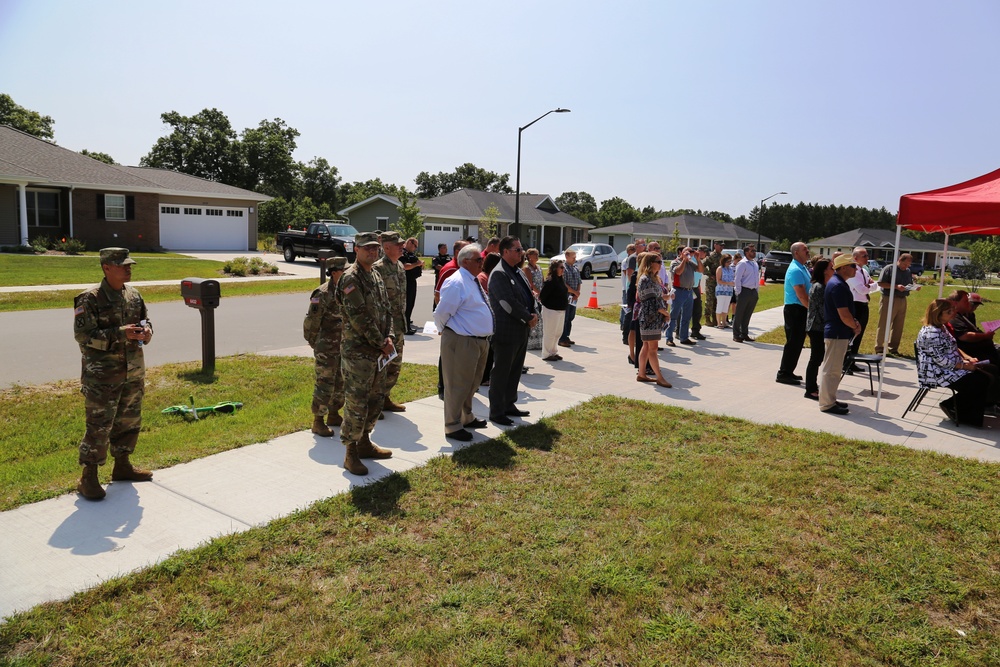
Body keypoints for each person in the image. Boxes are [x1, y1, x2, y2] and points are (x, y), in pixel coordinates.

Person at [73, 247, 153, 500]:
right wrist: (120, 334)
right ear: (106, 267)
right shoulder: (90, 299)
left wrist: (147, 332)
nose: (128, 268)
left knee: (129, 421)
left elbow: (145, 321)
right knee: (99, 425)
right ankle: (89, 477)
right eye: (122, 265)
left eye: (130, 264)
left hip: (132, 371)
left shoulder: (134, 295)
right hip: (103, 376)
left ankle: (122, 466)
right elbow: (84, 337)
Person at [337, 232, 395, 476]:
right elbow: (359, 316)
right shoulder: (350, 278)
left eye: (375, 248)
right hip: (359, 353)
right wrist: (381, 341)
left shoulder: (376, 274)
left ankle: (364, 443)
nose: (372, 252)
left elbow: (387, 309)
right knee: (357, 402)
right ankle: (350, 453)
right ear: (356, 250)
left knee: (376, 398)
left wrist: (389, 336)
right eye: (367, 248)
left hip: (378, 351)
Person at [434, 244, 494, 441]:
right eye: (479, 260)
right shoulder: (457, 282)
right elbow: (442, 312)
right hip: (461, 340)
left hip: (478, 341)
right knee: (457, 385)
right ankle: (452, 425)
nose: (482, 262)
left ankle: (466, 416)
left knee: (472, 383)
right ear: (465, 261)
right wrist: (446, 330)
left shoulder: (472, 280)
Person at [917, 298, 999, 426]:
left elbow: (954, 347)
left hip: (951, 366)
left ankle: (984, 406)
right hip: (938, 372)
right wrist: (965, 366)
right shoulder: (931, 333)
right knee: (979, 380)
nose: (952, 314)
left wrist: (968, 358)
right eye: (948, 312)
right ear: (938, 314)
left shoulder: (942, 327)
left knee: (992, 370)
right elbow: (941, 361)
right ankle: (954, 407)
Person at [488, 236, 538, 425]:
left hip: (521, 329)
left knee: (515, 370)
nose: (521, 252)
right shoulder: (499, 273)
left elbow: (529, 295)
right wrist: (527, 317)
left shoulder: (518, 271)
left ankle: (509, 404)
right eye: (517, 249)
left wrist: (533, 312)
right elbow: (507, 302)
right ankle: (497, 411)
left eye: (521, 248)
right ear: (505, 251)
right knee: (501, 372)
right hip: (506, 331)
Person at [303, 256, 348, 436]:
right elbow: (311, 323)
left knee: (340, 382)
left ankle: (334, 414)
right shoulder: (321, 294)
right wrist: (314, 343)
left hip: (343, 346)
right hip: (326, 348)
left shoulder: (347, 290)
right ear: (335, 272)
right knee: (325, 383)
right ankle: (318, 421)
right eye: (344, 270)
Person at [819, 254, 862, 415]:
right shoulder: (838, 286)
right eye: (852, 266)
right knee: (831, 370)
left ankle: (830, 399)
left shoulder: (838, 283)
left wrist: (854, 323)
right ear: (843, 267)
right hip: (837, 332)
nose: (855, 269)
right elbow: (843, 314)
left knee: (834, 369)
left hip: (839, 332)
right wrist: (855, 325)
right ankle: (827, 403)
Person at [374, 231, 408, 413]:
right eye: (398, 244)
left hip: (399, 325)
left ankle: (385, 398)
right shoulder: (377, 268)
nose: (402, 247)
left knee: (395, 365)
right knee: (381, 367)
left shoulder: (400, 266)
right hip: (385, 328)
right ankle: (374, 404)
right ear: (386, 247)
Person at [776, 241, 811, 385]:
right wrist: (812, 310)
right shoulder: (795, 270)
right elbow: (801, 295)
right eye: (805, 249)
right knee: (793, 342)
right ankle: (783, 373)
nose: (808, 251)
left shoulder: (802, 267)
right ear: (796, 252)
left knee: (797, 342)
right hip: (795, 309)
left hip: (800, 309)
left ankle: (789, 371)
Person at [635, 252, 672, 387]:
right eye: (658, 262)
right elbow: (652, 302)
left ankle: (642, 374)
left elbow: (658, 298)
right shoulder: (645, 279)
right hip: (649, 317)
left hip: (653, 317)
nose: (661, 265)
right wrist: (665, 313)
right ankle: (659, 377)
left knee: (646, 346)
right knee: (653, 348)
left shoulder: (654, 279)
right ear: (650, 263)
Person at [875, 253, 919, 355]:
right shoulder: (889, 269)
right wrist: (895, 286)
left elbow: (908, 284)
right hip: (888, 298)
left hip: (902, 299)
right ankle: (879, 348)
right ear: (900, 260)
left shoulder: (907, 271)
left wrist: (914, 287)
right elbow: (881, 283)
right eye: (905, 264)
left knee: (899, 325)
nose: (906, 267)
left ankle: (893, 348)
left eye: (908, 265)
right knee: (884, 323)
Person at [845, 246, 881, 372]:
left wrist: (870, 285)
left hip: (863, 304)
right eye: (864, 255)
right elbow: (862, 289)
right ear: (855, 258)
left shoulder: (864, 271)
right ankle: (845, 362)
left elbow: (871, 286)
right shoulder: (852, 272)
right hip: (855, 305)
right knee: (852, 334)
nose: (867, 257)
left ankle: (852, 361)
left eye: (867, 255)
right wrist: (873, 285)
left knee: (859, 335)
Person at [804, 258, 833, 401]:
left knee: (818, 358)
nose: (833, 270)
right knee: (815, 359)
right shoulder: (819, 287)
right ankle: (810, 389)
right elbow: (822, 310)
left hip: (819, 326)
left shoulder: (823, 285)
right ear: (824, 271)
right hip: (816, 327)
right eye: (830, 268)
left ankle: (813, 387)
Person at [946, 290, 1000, 366]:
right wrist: (985, 336)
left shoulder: (967, 315)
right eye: (966, 301)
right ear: (955, 303)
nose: (969, 304)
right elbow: (964, 336)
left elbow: (973, 329)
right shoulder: (954, 317)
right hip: (972, 352)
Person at [665, 245, 699, 346]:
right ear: (681, 253)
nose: (690, 254)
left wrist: (697, 259)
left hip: (689, 291)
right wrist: (684, 260)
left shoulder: (691, 263)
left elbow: (700, 270)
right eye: (687, 252)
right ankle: (669, 338)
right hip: (678, 291)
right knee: (674, 316)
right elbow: (678, 272)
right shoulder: (675, 262)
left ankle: (684, 337)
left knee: (687, 316)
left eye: (691, 252)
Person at [478, 252, 502, 384]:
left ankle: (486, 376)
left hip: (491, 320)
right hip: (484, 320)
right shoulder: (483, 277)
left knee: (490, 351)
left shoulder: (490, 276)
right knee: (487, 352)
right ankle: (484, 377)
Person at [540, 259, 569, 361]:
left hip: (561, 310)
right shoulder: (550, 281)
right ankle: (546, 354)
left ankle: (553, 351)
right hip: (551, 311)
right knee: (550, 333)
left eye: (563, 267)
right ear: (555, 268)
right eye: (561, 267)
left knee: (557, 333)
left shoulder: (560, 279)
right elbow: (542, 297)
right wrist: (550, 305)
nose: (563, 269)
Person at [732, 244, 760, 343]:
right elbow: (737, 279)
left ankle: (744, 334)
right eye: (752, 251)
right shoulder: (742, 263)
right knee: (739, 314)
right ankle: (736, 335)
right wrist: (738, 292)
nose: (754, 252)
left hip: (753, 291)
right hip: (744, 290)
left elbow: (757, 278)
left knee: (748, 314)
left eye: (754, 250)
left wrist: (757, 291)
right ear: (747, 252)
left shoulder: (755, 263)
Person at [521, 248, 544, 351]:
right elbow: (530, 284)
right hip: (533, 296)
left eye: (537, 254)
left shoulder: (539, 268)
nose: (537, 256)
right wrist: (538, 293)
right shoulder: (526, 269)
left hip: (541, 296)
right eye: (534, 255)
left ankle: (539, 342)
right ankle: (531, 343)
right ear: (529, 257)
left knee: (540, 318)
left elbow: (542, 281)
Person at [559, 249, 582, 347]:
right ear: (567, 257)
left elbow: (579, 281)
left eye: (575, 257)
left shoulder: (575, 268)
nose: (574, 259)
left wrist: (577, 293)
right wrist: (574, 292)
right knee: (564, 318)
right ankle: (561, 338)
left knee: (570, 318)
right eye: (573, 257)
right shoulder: (563, 268)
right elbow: (564, 283)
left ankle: (567, 336)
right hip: (566, 297)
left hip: (574, 298)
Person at [401, 237, 422, 334]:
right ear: (409, 243)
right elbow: (404, 266)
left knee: (410, 304)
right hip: (405, 282)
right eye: (415, 246)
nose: (415, 248)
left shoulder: (411, 254)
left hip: (412, 281)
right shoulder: (402, 253)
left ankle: (407, 325)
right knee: (406, 305)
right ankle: (405, 327)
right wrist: (416, 264)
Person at [689, 245, 709, 340]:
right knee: (685, 310)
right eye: (701, 251)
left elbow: (700, 275)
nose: (703, 253)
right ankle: (679, 330)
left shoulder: (701, 261)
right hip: (688, 288)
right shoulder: (692, 259)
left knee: (697, 310)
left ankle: (695, 331)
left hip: (696, 288)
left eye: (704, 252)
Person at [703, 240, 724, 327]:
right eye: (720, 245)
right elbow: (702, 265)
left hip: (719, 282)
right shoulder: (711, 256)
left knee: (717, 300)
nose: (722, 247)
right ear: (715, 245)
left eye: (723, 246)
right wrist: (709, 274)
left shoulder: (722, 257)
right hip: (711, 282)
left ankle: (715, 318)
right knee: (710, 300)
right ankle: (707, 319)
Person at [714, 254, 735, 329]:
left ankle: (724, 322)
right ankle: (719, 322)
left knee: (726, 307)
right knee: (720, 306)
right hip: (721, 290)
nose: (729, 263)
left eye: (730, 261)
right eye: (728, 261)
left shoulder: (730, 269)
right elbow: (718, 280)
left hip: (729, 290)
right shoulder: (720, 268)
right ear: (723, 261)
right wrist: (728, 283)